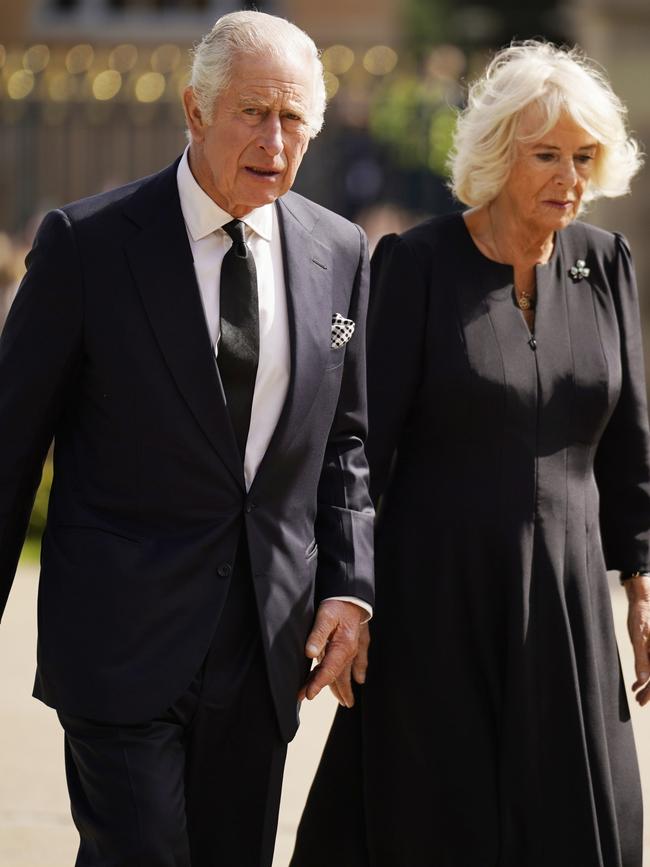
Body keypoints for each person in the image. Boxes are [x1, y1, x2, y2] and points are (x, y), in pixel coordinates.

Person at [0, 11, 374, 867]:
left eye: (294, 121)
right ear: (194, 109)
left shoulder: (341, 251)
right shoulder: (87, 247)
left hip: (265, 644)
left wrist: (351, 588)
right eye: (253, 112)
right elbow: (10, 443)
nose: (275, 141)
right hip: (120, 639)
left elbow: (344, 443)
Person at [292, 41, 650, 867]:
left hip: (565, 611)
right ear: (498, 155)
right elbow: (360, 450)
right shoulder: (415, 265)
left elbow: (629, 443)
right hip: (433, 611)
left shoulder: (606, 263)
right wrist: (349, 594)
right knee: (432, 826)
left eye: (583, 156)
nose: (569, 176)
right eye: (547, 155)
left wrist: (639, 583)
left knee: (578, 824)